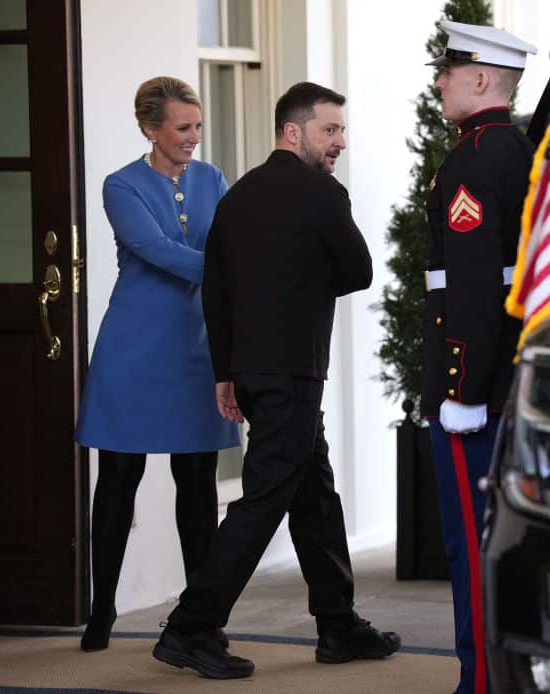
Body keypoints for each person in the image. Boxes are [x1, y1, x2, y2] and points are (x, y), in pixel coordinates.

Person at [151, 81, 401, 679]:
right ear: (294, 131)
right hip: (294, 371)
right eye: (329, 130)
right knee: (263, 501)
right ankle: (190, 627)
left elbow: (216, 291)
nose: (340, 142)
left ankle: (338, 625)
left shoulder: (237, 197)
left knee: (315, 495)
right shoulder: (323, 194)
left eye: (341, 130)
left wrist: (225, 372)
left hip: (251, 370)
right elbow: (359, 271)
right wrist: (306, 279)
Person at [74, 76, 239, 653]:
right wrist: (232, 274)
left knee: (197, 485)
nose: (194, 137)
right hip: (134, 350)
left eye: (198, 126)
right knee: (118, 480)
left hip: (197, 348)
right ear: (150, 129)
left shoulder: (212, 179)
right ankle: (102, 609)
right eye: (183, 127)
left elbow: (229, 244)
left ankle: (199, 617)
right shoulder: (121, 185)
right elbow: (156, 251)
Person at [422, 21, 537, 694]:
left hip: (478, 391)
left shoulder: (472, 158)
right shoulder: (520, 147)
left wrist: (460, 389)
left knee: (473, 543)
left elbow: (468, 288)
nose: (440, 81)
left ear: (482, 78)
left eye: (449, 70)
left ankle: (482, 684)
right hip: (513, 375)